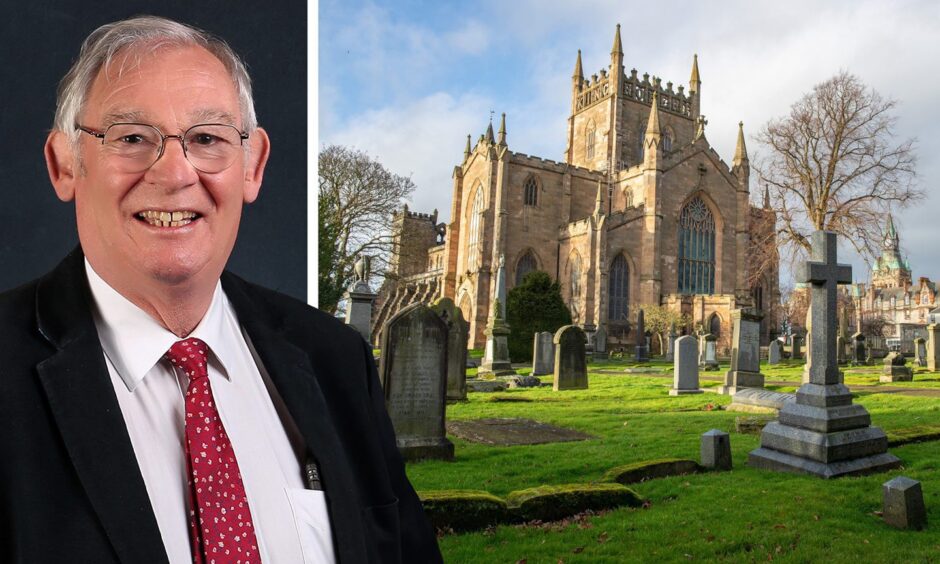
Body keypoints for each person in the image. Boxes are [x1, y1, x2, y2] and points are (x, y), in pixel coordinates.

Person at [0, 15, 442, 564]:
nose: (175, 172)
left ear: (252, 165)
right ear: (65, 164)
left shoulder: (335, 358)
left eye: (206, 138)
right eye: (132, 137)